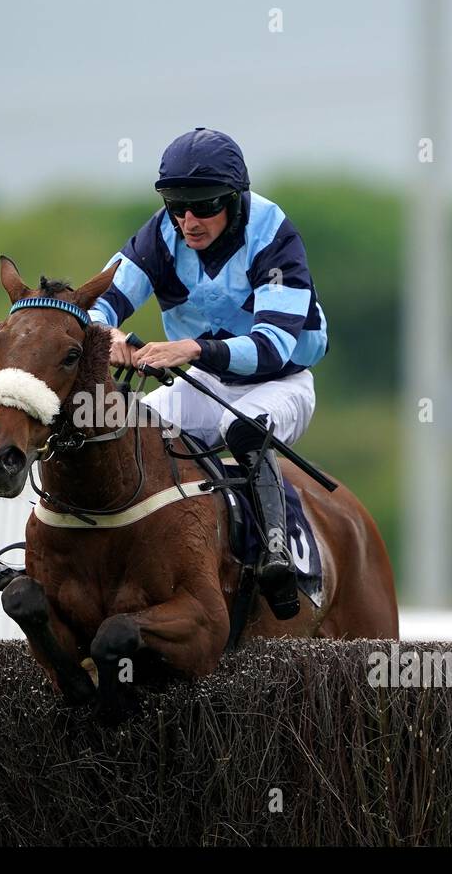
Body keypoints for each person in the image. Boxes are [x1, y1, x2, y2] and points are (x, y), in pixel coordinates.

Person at [86, 127, 329, 619]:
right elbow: (99, 305)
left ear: (235, 201)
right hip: (205, 382)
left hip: (279, 382)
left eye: (203, 206)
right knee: (117, 427)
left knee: (238, 429)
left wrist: (190, 348)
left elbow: (271, 347)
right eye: (177, 206)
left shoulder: (274, 236)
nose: (188, 221)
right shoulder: (160, 234)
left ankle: (278, 557)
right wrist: (108, 337)